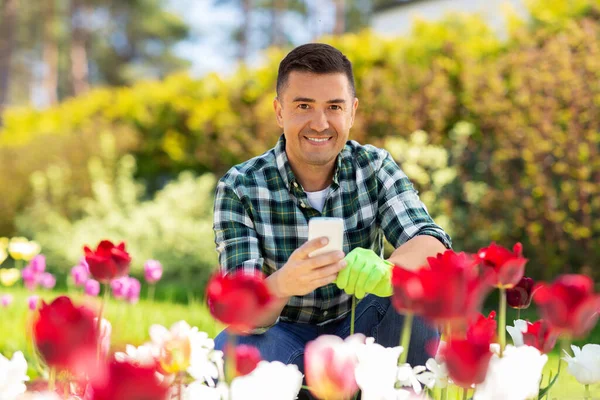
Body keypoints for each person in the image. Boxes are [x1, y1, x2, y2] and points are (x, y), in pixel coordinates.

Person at [212, 42, 451, 393]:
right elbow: (242, 313)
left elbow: (431, 242)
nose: (320, 123)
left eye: (334, 107)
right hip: (283, 331)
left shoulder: (374, 166)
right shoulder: (241, 187)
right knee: (226, 357)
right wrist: (282, 283)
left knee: (412, 296)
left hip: (363, 325)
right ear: (280, 112)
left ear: (352, 112)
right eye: (303, 105)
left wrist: (389, 270)